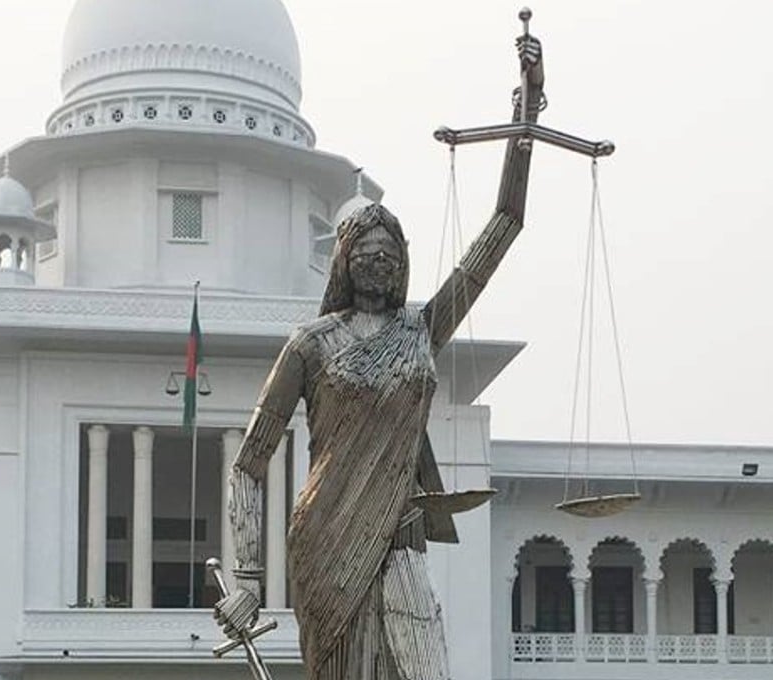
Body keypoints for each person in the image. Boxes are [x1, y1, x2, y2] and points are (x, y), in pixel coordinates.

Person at [214, 32, 545, 680]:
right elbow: (249, 463)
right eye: (366, 250)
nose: (380, 260)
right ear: (343, 261)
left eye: (391, 252)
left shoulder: (422, 329)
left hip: (401, 544)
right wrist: (249, 576)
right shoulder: (312, 344)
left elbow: (503, 225)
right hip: (326, 543)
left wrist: (524, 130)